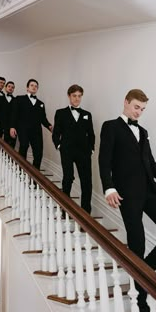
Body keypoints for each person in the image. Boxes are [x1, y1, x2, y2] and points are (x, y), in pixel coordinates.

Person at [98, 89, 156, 312]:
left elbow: (151, 164)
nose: (139, 112)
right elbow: (104, 161)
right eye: (136, 107)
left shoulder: (143, 131)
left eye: (143, 109)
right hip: (127, 195)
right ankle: (141, 304)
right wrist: (109, 188)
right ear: (125, 102)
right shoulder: (111, 127)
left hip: (151, 192)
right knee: (137, 245)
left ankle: (143, 273)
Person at [52, 84, 95, 214]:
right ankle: (65, 208)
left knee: (87, 181)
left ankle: (86, 212)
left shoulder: (87, 114)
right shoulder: (60, 113)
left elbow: (91, 133)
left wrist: (91, 148)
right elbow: (56, 132)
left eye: (79, 96)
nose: (77, 99)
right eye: (74, 96)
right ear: (69, 96)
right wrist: (59, 145)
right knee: (68, 177)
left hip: (84, 152)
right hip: (67, 150)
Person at [10, 79, 52, 169]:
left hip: (36, 131)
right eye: (32, 85)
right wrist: (12, 127)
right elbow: (14, 114)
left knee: (38, 152)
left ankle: (36, 175)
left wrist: (50, 126)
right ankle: (21, 170)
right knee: (24, 146)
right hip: (23, 129)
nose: (34, 87)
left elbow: (43, 119)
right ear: (27, 88)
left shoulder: (41, 104)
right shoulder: (19, 99)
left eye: (36, 86)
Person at [0, 81, 16, 148]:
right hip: (0, 124)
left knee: (10, 145)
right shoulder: (0, 98)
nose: (11, 88)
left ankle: (8, 158)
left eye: (12, 87)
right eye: (9, 86)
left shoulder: (16, 100)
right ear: (5, 88)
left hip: (11, 125)